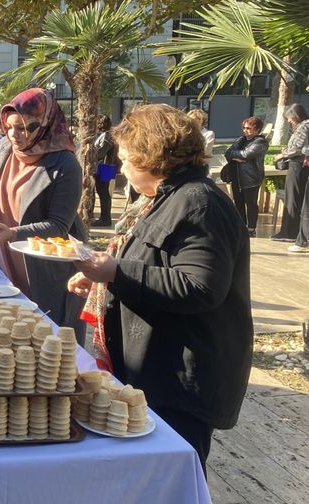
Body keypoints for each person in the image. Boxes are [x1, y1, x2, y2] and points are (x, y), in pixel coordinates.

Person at [67, 104, 252, 472]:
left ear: (152, 156)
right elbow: (153, 260)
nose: (121, 168)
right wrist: (103, 273)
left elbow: (199, 286)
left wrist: (116, 272)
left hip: (180, 380)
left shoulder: (200, 204)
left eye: (126, 159)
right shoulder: (166, 197)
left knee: (167, 476)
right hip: (156, 370)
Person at [0, 89, 87, 342]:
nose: (14, 135)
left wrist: (12, 233)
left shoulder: (65, 165)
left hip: (46, 269)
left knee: (48, 337)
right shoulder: (4, 147)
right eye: (10, 127)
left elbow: (58, 225)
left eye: (24, 128)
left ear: (45, 124)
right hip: (5, 254)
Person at [225, 116, 268, 237]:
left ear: (257, 129)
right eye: (244, 127)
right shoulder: (241, 139)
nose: (245, 130)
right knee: (238, 202)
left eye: (248, 128)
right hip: (237, 177)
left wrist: (237, 155)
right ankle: (241, 225)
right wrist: (236, 156)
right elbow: (227, 152)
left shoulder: (260, 142)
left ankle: (251, 228)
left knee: (251, 203)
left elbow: (246, 154)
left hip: (251, 178)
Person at [272, 104, 309, 243]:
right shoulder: (303, 126)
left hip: (298, 165)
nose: (289, 121)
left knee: (293, 198)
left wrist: (282, 155)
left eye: (289, 118)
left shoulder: (304, 126)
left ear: (296, 115)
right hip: (297, 165)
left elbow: (298, 148)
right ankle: (289, 231)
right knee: (292, 197)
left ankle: (290, 232)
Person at [91, 114, 120, 228]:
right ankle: (104, 218)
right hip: (107, 167)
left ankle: (105, 218)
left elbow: (100, 153)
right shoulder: (107, 135)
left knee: (103, 193)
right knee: (104, 193)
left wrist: (89, 154)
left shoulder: (106, 136)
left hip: (105, 167)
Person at [186, 109, 215, 174]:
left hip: (200, 167)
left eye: (198, 119)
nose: (194, 122)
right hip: (186, 167)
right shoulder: (186, 133)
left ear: (202, 121)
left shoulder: (209, 134)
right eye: (192, 120)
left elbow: (205, 153)